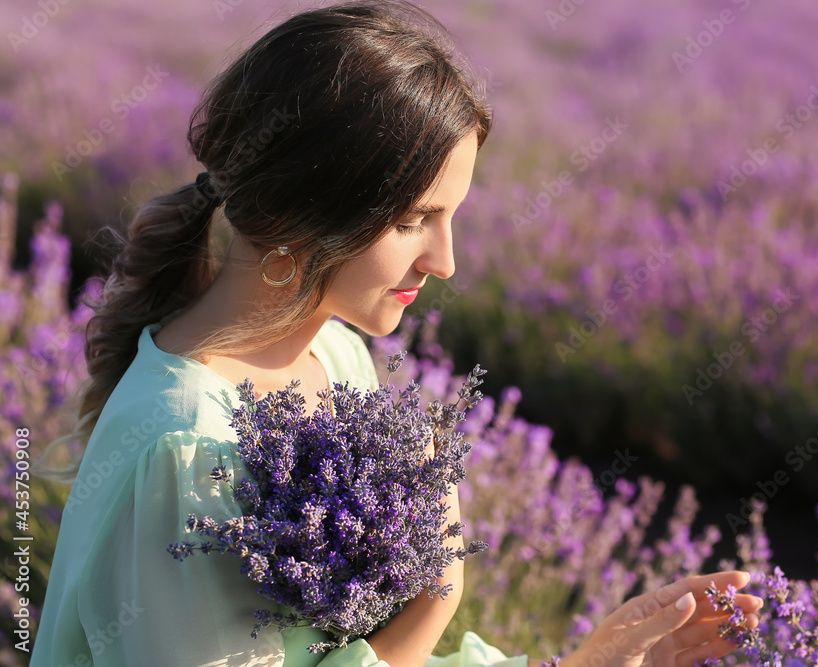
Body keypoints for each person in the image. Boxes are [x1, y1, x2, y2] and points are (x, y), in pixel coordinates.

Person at [31, 1, 762, 665]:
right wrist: (434, 598)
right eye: (413, 220)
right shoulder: (186, 443)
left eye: (452, 216)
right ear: (299, 208)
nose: (445, 261)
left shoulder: (335, 353)